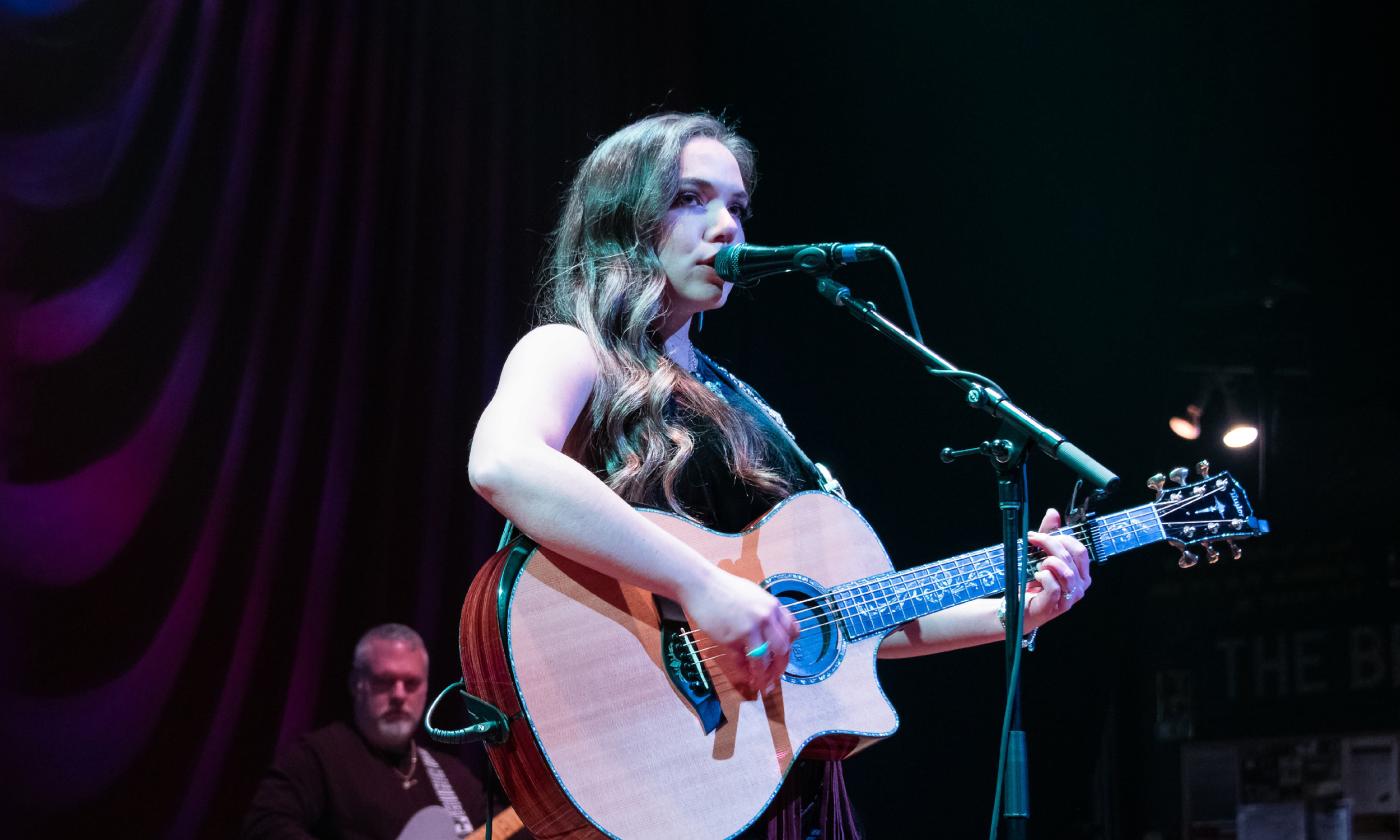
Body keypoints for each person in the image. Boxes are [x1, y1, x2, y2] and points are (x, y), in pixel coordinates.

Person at [466, 112, 1092, 839]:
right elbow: (504, 462)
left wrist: (1014, 613)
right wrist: (702, 586)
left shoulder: (746, 403)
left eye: (736, 205)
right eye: (691, 198)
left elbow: (827, 625)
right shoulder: (572, 350)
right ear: (623, 216)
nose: (727, 225)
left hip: (778, 787)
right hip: (661, 774)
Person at [243, 623, 497, 839]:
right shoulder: (315, 757)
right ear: (357, 684)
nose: (399, 694)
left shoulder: (454, 777)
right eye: (384, 681)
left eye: (411, 683)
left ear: (426, 688)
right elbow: (264, 827)